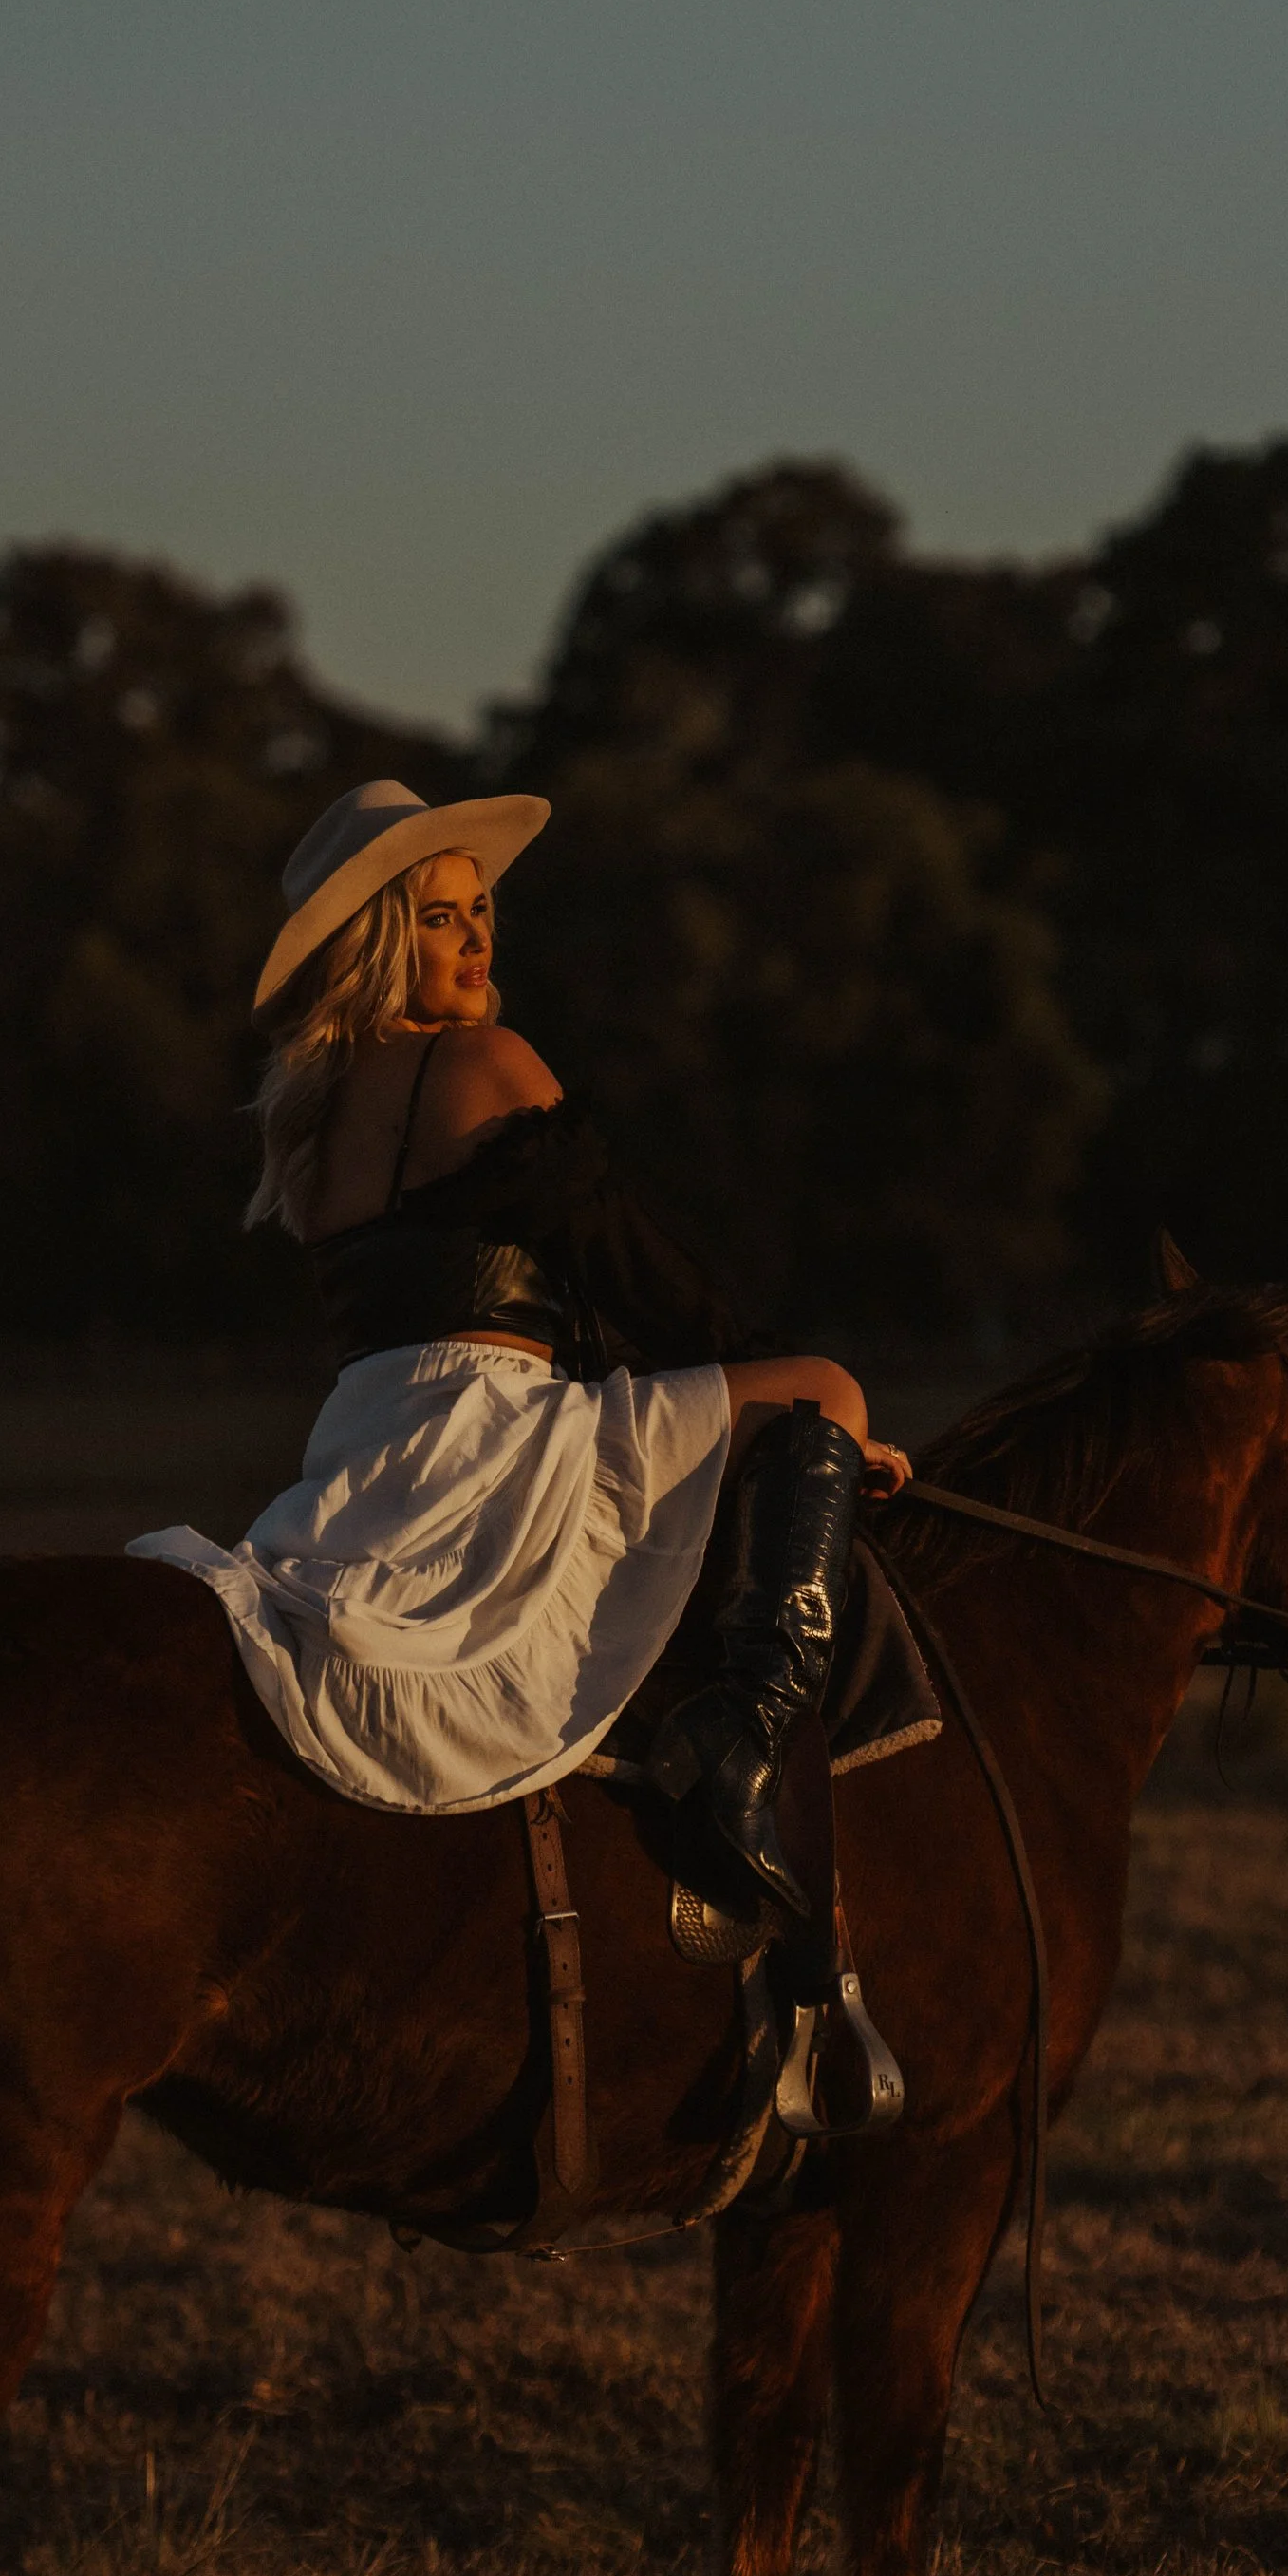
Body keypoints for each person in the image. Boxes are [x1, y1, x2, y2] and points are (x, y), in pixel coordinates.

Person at [132, 779, 912, 1919]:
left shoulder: (311, 1117)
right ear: (383, 942)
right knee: (826, 1386)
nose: (477, 933)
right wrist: (811, 1421)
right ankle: (745, 1742)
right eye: (440, 916)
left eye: (482, 906)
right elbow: (642, 1278)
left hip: (367, 1440)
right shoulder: (479, 1064)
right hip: (491, 1428)